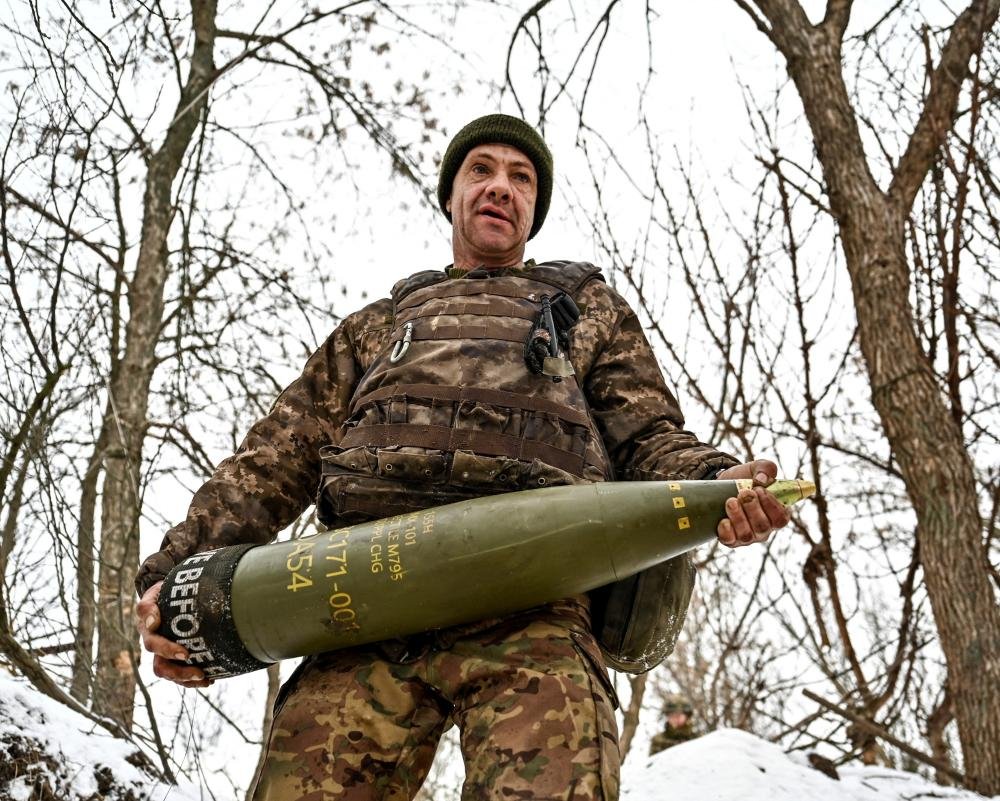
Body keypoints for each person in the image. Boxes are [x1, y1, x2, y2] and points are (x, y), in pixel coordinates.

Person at [135, 114, 791, 801]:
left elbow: (648, 436)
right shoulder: (376, 328)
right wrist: (170, 577)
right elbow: (274, 460)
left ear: (534, 208)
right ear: (451, 194)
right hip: (359, 602)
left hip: (533, 606)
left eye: (521, 177)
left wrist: (718, 481)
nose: (500, 187)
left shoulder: (589, 313)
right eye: (481, 170)